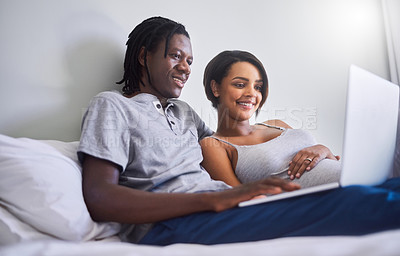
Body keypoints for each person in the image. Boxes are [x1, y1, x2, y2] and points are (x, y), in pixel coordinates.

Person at [78, 16, 400, 246]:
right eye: (176, 56)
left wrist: (318, 150)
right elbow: (100, 198)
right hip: (172, 224)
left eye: (190, 60)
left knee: (385, 186)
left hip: (222, 208)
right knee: (355, 202)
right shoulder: (111, 106)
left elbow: (230, 137)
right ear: (143, 56)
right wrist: (214, 200)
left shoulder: (184, 113)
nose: (186, 68)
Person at [200, 50, 341, 188]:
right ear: (215, 88)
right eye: (240, 85)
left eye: (258, 87)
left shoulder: (277, 124)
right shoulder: (213, 146)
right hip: (334, 201)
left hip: (351, 179)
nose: (252, 94)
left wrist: (323, 150)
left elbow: (329, 162)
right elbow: (239, 199)